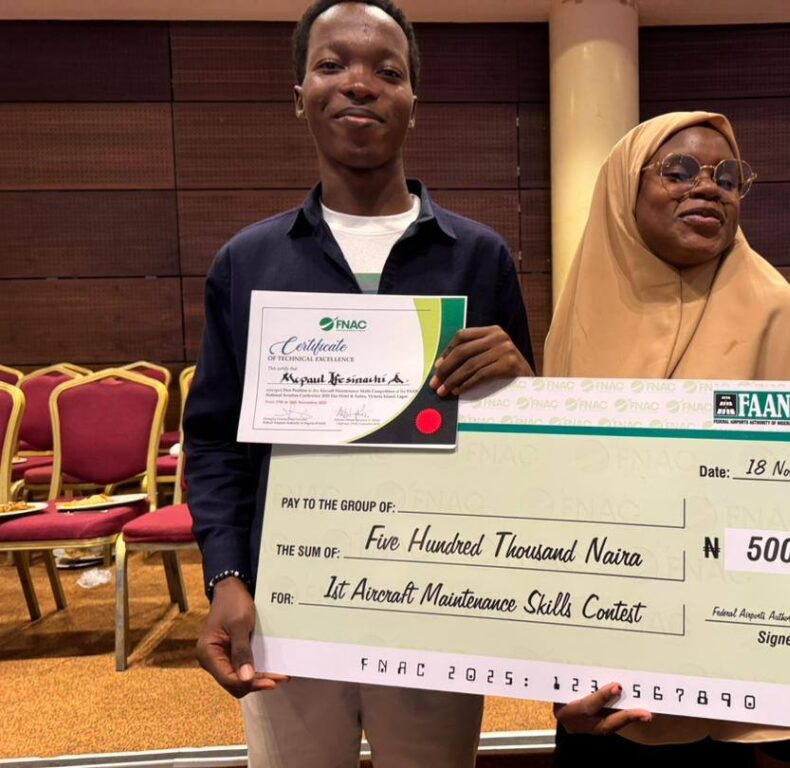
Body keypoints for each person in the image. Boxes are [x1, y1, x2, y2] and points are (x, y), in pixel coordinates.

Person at [183, 1, 534, 766]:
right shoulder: (247, 263)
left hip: (435, 600)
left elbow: (521, 446)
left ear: (413, 100)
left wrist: (522, 383)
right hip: (289, 605)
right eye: (332, 64)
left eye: (387, 70)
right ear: (300, 95)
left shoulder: (479, 258)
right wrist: (226, 574)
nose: (360, 83)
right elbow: (214, 441)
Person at [544, 111, 790, 766]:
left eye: (727, 177)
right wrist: (557, 675)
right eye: (678, 171)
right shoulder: (578, 314)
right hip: (610, 660)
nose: (708, 187)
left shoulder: (777, 310)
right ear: (624, 191)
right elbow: (555, 508)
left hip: (741, 657)